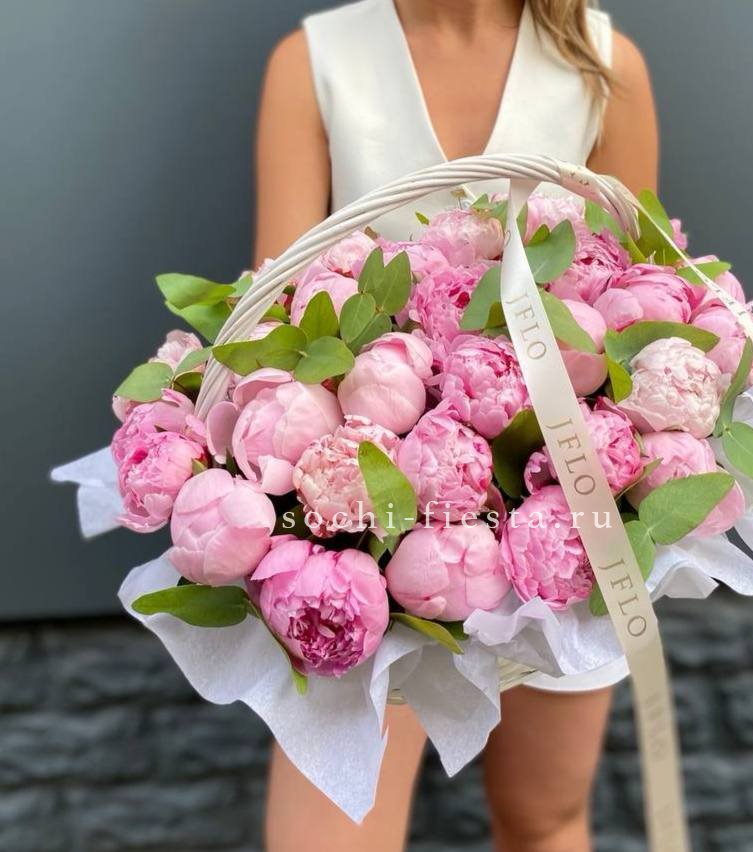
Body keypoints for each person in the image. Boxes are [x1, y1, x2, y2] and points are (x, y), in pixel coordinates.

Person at [254, 1, 658, 849]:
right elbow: (277, 326)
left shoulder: (603, 65)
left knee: (546, 820)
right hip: (368, 535)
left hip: (558, 526)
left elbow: (635, 311)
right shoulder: (315, 61)